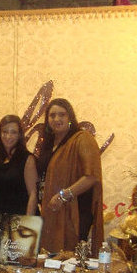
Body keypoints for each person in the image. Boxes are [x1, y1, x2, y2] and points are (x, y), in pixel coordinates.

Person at [37, 98, 104, 256]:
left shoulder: (82, 138)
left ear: (70, 118)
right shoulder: (48, 144)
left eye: (62, 114)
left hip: (76, 209)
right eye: (52, 115)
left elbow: (91, 176)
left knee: (71, 257)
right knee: (52, 256)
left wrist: (63, 195)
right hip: (53, 210)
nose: (57, 119)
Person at [0, 115, 38, 242]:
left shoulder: (27, 159)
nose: (8, 136)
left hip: (22, 219)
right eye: (5, 132)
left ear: (19, 135)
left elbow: (33, 194)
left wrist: (27, 227)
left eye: (13, 132)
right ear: (0, 133)